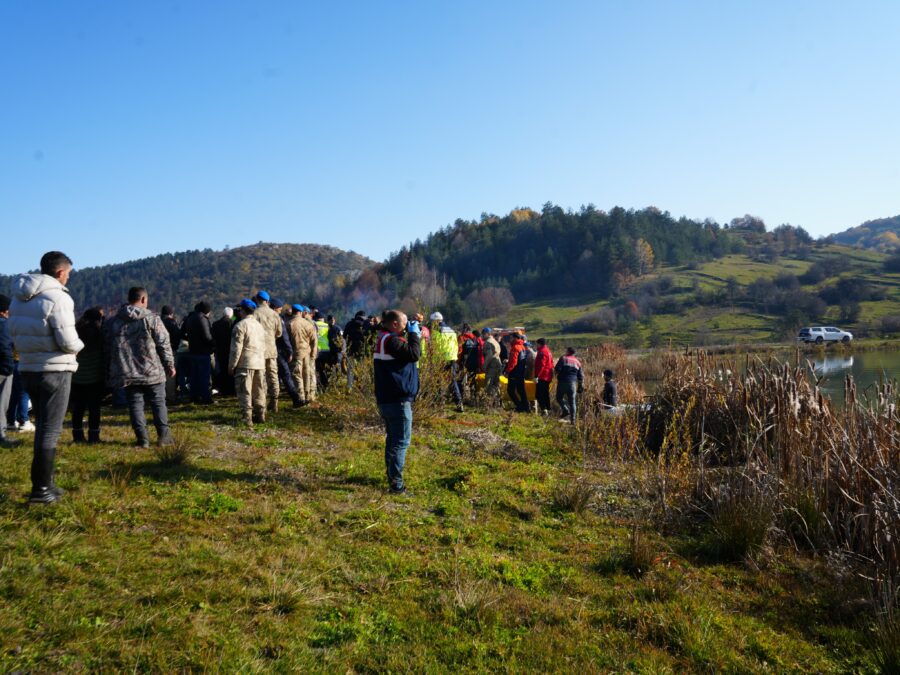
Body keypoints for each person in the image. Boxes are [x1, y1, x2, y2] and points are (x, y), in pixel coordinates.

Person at [8, 251, 84, 504]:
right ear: (61, 272)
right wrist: (79, 346)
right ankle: (41, 489)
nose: (68, 278)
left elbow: (13, 331)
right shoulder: (58, 298)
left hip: (28, 367)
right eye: (68, 274)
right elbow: (67, 340)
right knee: (50, 430)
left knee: (41, 426)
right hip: (55, 369)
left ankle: (47, 483)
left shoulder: (18, 299)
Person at [105, 287, 176, 448]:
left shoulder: (114, 321)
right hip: (152, 371)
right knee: (158, 403)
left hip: (127, 371)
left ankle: (142, 439)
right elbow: (164, 343)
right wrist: (169, 364)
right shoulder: (152, 319)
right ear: (143, 299)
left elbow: (108, 346)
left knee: (135, 405)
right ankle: (164, 437)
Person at [374, 309, 421, 495]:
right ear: (394, 324)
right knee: (401, 441)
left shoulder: (383, 337)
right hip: (397, 399)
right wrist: (415, 334)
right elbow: (414, 354)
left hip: (387, 397)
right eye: (404, 322)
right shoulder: (391, 340)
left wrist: (410, 331)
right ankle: (396, 484)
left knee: (393, 440)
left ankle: (392, 477)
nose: (406, 326)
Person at [229, 299, 267, 427]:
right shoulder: (259, 326)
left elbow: (236, 349)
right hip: (260, 363)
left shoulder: (240, 326)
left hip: (245, 363)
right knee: (259, 390)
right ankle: (261, 414)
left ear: (242, 311)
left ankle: (247, 418)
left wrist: (232, 366)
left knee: (245, 391)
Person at [69, 307, 105, 443]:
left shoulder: (75, 332)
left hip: (77, 376)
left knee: (78, 408)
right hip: (95, 376)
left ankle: (77, 435)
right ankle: (94, 435)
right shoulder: (99, 334)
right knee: (94, 408)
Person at [252, 291, 283, 412]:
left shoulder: (255, 313)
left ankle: (261, 403)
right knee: (273, 376)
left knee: (261, 377)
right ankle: (274, 401)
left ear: (257, 300)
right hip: (271, 349)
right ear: (267, 301)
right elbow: (279, 333)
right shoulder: (275, 314)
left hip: (259, 350)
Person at [429, 312, 463, 412]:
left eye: (432, 321)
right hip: (452, 359)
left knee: (438, 381)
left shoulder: (435, 332)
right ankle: (459, 403)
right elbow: (456, 345)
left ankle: (440, 404)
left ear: (436, 321)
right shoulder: (452, 331)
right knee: (452, 381)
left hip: (440, 360)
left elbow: (433, 347)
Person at [182, 301, 215, 404]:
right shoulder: (203, 319)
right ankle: (206, 398)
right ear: (206, 311)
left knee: (194, 376)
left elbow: (182, 333)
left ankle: (194, 396)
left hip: (192, 351)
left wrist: (190, 340)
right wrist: (213, 345)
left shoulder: (189, 318)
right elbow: (207, 336)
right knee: (204, 376)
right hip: (203, 352)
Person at [272, 298, 302, 407]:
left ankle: (271, 402)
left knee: (268, 376)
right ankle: (296, 399)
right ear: (276, 308)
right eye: (280, 308)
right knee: (285, 375)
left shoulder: (257, 315)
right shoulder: (278, 319)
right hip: (278, 351)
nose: (281, 310)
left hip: (262, 351)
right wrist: (289, 351)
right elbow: (284, 337)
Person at [288, 304, 318, 405]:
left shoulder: (289, 324)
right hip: (307, 353)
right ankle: (308, 395)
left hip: (295, 353)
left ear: (292, 311)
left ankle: (300, 398)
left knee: (297, 375)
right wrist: (313, 353)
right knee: (307, 374)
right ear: (300, 312)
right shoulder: (308, 324)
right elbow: (314, 340)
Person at [0, 294, 16, 447]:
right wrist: (9, 368)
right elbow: (5, 347)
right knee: (1, 402)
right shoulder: (4, 325)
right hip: (2, 369)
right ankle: (1, 434)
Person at [555, 347, 585, 424]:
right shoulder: (578, 362)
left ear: (568, 352)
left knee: (559, 398)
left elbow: (557, 369)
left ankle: (565, 410)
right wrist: (580, 386)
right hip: (572, 384)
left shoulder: (563, 359)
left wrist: (556, 374)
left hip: (562, 382)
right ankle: (573, 420)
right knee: (572, 402)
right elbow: (581, 376)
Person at [211, 306, 235, 397]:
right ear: (231, 315)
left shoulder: (216, 324)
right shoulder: (233, 323)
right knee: (231, 371)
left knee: (221, 371)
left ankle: (223, 389)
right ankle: (231, 390)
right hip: (230, 350)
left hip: (220, 351)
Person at [161, 305, 183, 403]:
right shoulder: (171, 323)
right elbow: (177, 336)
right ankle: (170, 396)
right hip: (171, 350)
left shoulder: (157, 321)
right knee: (170, 374)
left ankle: (159, 396)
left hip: (157, 352)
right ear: (171, 313)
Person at [504, 333, 530, 413]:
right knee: (521, 390)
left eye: (511, 338)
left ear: (515, 338)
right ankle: (526, 407)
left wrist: (508, 371)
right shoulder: (522, 347)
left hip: (514, 372)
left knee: (510, 390)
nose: (510, 339)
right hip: (521, 372)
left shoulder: (515, 347)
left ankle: (519, 406)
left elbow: (513, 362)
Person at [343, 310, 368, 389]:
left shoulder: (349, 324)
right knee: (362, 369)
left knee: (350, 370)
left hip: (351, 350)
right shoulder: (366, 324)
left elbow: (344, 336)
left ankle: (349, 387)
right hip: (362, 351)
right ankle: (361, 387)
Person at [481, 328, 502, 403]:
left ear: (487, 334)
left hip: (492, 365)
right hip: (498, 364)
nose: (482, 336)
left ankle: (489, 402)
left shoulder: (488, 342)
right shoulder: (495, 341)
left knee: (489, 384)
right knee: (496, 384)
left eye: (483, 334)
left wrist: (484, 365)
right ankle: (498, 402)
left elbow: (489, 355)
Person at [534, 338, 554, 415]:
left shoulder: (542, 352)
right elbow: (551, 363)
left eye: (537, 344)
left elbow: (541, 365)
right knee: (545, 393)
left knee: (539, 394)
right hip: (548, 375)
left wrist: (537, 376)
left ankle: (544, 410)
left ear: (539, 344)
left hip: (542, 376)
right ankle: (548, 409)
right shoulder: (548, 351)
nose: (536, 346)